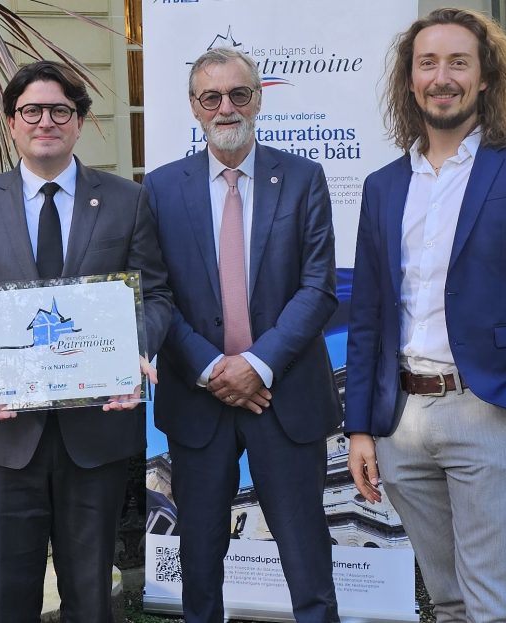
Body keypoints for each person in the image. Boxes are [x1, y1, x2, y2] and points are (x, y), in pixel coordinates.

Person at [0, 60, 172, 622]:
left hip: (96, 431)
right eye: (31, 110)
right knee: (9, 596)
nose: (45, 121)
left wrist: (136, 354)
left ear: (79, 122)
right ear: (12, 122)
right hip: (5, 434)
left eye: (60, 110)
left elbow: (155, 295)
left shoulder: (125, 200)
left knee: (90, 594)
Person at [144, 48, 341, 622]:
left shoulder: (303, 178)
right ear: (193, 107)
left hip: (283, 395)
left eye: (238, 95)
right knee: (199, 562)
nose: (226, 108)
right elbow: (158, 296)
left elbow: (318, 288)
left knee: (307, 557)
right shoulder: (159, 189)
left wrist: (257, 363)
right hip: (198, 399)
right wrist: (213, 369)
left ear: (259, 98)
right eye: (212, 97)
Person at [345, 8, 506, 621]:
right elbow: (367, 317)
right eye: (428, 63)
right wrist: (361, 428)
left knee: (493, 603)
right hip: (402, 425)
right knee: (447, 601)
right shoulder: (383, 185)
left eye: (458, 62)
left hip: (488, 413)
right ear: (410, 80)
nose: (442, 77)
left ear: (485, 77)